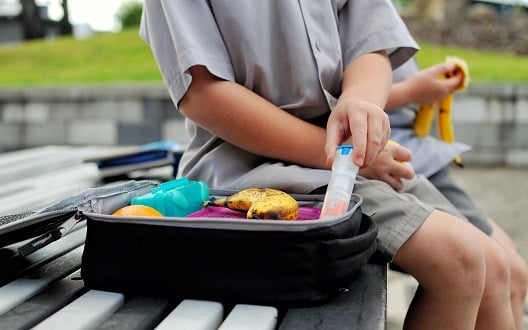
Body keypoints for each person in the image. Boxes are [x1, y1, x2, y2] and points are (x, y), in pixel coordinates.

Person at [139, 1, 515, 328]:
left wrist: (360, 103)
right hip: (250, 170)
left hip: (352, 156)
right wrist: (337, 151)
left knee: (497, 268)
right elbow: (203, 95)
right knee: (459, 261)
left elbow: (371, 47)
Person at [385, 58, 528, 329]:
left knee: (513, 274)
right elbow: (328, 102)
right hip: (391, 161)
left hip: (416, 155)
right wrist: (411, 92)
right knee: (488, 273)